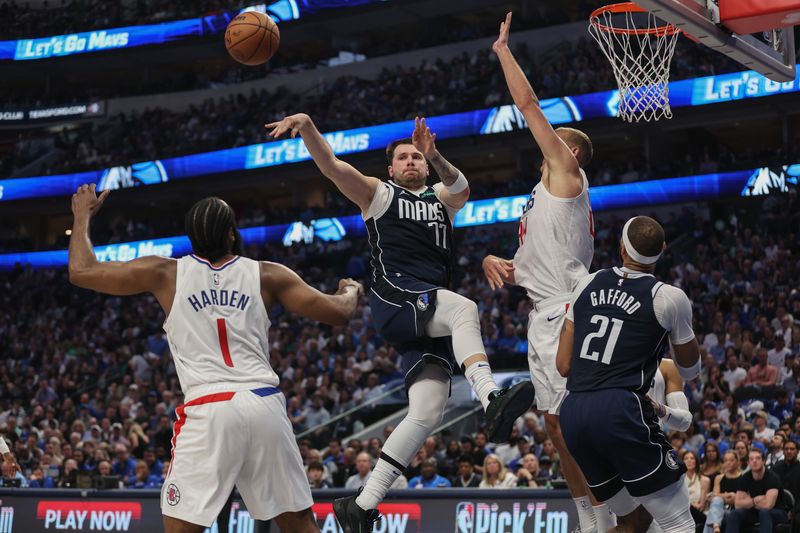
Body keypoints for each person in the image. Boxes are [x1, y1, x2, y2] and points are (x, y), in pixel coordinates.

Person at [266, 113, 533, 532]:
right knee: (466, 308)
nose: (411, 161)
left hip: (428, 313)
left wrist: (436, 154)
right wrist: (309, 128)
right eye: (403, 158)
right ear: (390, 169)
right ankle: (491, 398)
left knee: (426, 411)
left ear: (426, 166)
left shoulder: (440, 198)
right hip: (397, 296)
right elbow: (332, 168)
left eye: (416, 157)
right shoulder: (379, 194)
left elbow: (462, 190)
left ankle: (362, 503)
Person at [68, 185, 362, 533]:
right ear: (231, 234)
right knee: (299, 524)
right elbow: (338, 312)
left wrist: (82, 216)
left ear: (190, 238)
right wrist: (351, 291)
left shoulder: (166, 272)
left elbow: (82, 271)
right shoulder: (267, 274)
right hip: (264, 404)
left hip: (210, 407)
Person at [481, 12, 615, 533]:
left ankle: (611, 512)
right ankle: (591, 518)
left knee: (574, 424)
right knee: (556, 428)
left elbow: (528, 104)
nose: (547, 144)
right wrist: (499, 264)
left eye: (557, 141)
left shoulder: (567, 173)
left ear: (572, 152)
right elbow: (534, 267)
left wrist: (503, 52)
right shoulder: (540, 200)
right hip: (543, 309)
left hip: (567, 311)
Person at [557, 216, 701, 533]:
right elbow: (690, 369)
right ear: (663, 250)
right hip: (620, 409)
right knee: (678, 521)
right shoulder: (669, 297)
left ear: (621, 246)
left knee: (629, 521)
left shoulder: (585, 283)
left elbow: (563, 365)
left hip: (574, 412)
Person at [725, 449, 788, 532]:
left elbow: (768, 505)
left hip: (778, 512)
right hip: (755, 512)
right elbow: (737, 504)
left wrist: (747, 501)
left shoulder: (772, 478)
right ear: (748, 463)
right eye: (751, 459)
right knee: (735, 513)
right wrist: (754, 500)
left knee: (764, 512)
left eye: (758, 458)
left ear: (763, 461)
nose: (754, 461)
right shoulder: (745, 477)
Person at [648, 359, 692, 433]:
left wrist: (660, 409)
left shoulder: (667, 366)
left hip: (649, 437)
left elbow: (685, 421)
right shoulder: (622, 363)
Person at [704, 450, 743, 533]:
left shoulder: (743, 477)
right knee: (717, 502)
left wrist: (721, 496)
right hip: (720, 510)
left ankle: (715, 525)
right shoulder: (719, 478)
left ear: (737, 461)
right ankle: (716, 526)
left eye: (731, 460)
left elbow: (739, 500)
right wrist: (730, 494)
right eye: (726, 460)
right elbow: (714, 497)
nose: (728, 463)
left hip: (735, 511)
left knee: (714, 511)